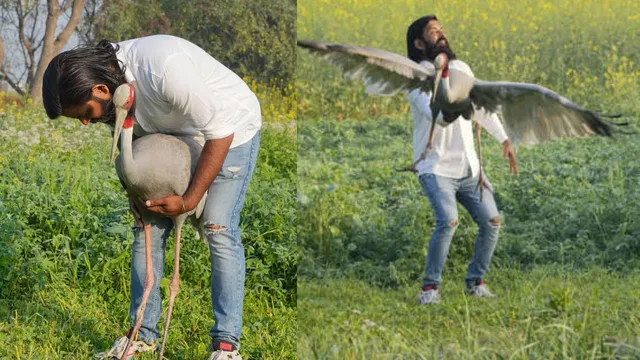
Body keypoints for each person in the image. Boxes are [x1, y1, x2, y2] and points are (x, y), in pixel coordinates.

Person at [42, 35, 262, 359]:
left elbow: (221, 131)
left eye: (85, 113)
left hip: (229, 129)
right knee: (146, 227)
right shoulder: (110, 84)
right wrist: (136, 189)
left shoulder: (163, 67)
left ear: (101, 90)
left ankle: (226, 345)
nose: (87, 122)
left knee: (218, 225)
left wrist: (189, 200)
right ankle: (141, 335)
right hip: (174, 134)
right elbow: (127, 138)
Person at [405, 16, 518, 305]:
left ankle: (475, 282)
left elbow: (481, 109)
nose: (441, 34)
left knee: (492, 221)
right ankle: (429, 290)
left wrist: (504, 139)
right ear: (419, 43)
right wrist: (450, 94)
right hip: (436, 168)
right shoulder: (415, 78)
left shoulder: (461, 69)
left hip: (469, 168)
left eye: (441, 29)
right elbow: (438, 118)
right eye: (433, 32)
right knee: (448, 221)